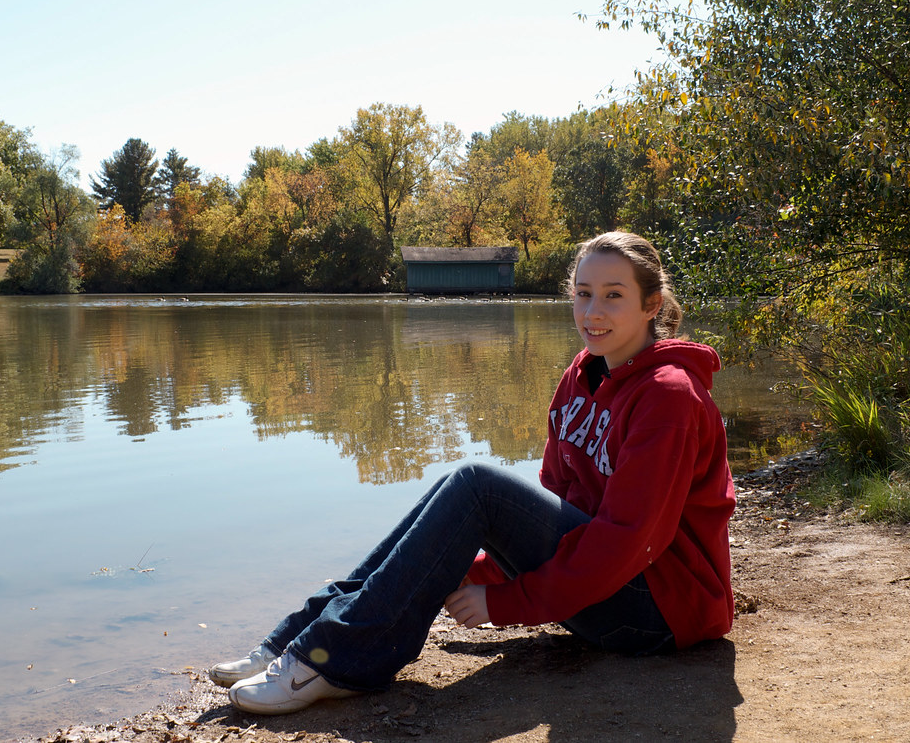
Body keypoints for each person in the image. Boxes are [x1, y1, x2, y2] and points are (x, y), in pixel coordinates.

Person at [210, 230, 736, 715]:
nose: (592, 311)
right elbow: (556, 504)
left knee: (477, 485)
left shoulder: (669, 396)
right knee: (457, 491)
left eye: (613, 295)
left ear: (652, 305)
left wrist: (505, 602)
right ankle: (301, 639)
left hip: (658, 612)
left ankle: (337, 661)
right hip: (603, 589)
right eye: (583, 293)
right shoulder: (581, 375)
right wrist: (458, 567)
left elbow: (627, 541)